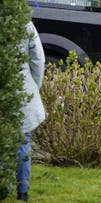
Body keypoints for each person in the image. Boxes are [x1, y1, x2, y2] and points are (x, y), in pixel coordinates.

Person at [16, 21, 46, 202]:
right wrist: (35, 85)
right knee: (22, 141)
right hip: (22, 88)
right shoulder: (24, 23)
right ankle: (22, 191)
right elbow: (38, 58)